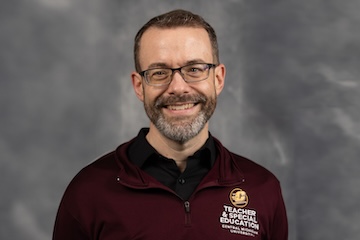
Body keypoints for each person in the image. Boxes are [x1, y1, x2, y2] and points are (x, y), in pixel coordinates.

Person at [53, 9, 288, 240]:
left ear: (218, 79)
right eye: (159, 73)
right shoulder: (88, 192)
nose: (178, 87)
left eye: (194, 69)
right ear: (138, 86)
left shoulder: (262, 188)